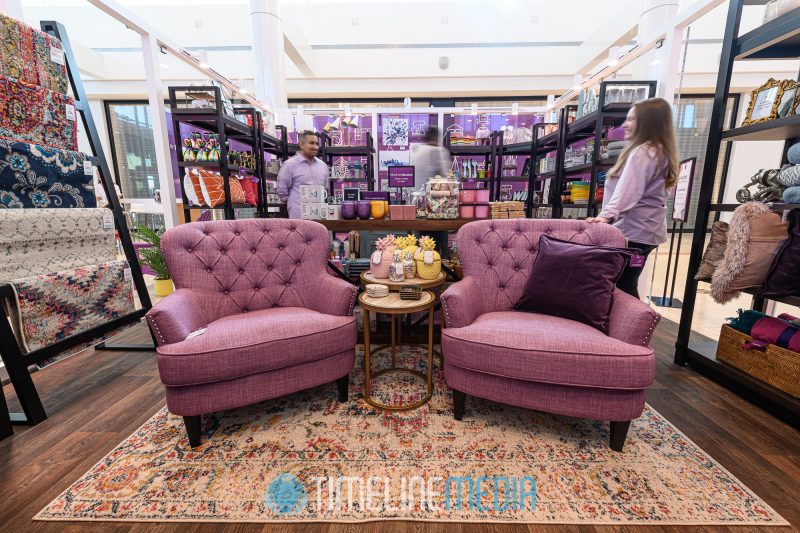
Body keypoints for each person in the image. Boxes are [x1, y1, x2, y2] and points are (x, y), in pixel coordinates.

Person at [587, 97, 679, 299]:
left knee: (622, 286)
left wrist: (606, 216)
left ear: (648, 122)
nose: (624, 125)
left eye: (631, 119)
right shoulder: (662, 152)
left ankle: (630, 327)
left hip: (633, 231)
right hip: (647, 231)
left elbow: (629, 190)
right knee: (625, 283)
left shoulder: (644, 152)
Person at [277, 130, 329, 219]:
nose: (315, 147)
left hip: (319, 217)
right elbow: (282, 191)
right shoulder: (289, 165)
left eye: (317, 144)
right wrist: (294, 203)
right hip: (298, 217)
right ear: (301, 144)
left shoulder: (323, 166)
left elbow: (324, 188)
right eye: (311, 143)